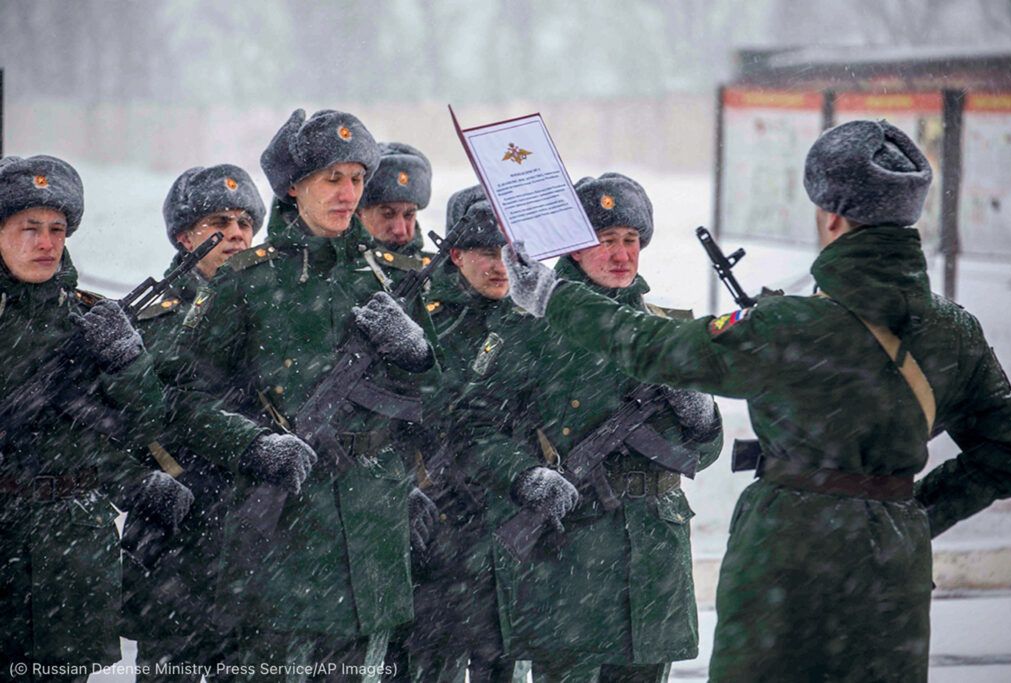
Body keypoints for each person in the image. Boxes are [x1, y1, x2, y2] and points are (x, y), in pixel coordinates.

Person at [500, 120, 1011, 682]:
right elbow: (1010, 452)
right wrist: (913, 512)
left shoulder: (790, 327)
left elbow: (654, 347)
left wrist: (555, 299)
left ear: (832, 215)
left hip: (785, 562)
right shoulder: (955, 332)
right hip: (893, 570)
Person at [173, 109, 438, 680]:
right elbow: (187, 404)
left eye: (357, 179)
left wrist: (418, 356)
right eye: (331, 179)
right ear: (294, 187)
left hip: (372, 534)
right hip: (284, 538)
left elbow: (435, 408)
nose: (348, 193)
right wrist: (254, 446)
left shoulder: (387, 279)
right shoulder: (247, 281)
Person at [458, 173, 723, 682]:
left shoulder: (667, 327)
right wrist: (525, 477)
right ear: (575, 251)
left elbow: (704, 453)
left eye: (631, 241)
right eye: (606, 241)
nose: (622, 255)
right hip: (572, 553)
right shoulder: (529, 327)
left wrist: (701, 416)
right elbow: (472, 428)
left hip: (653, 558)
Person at [0, 155, 189, 680]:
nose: (45, 243)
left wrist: (129, 362)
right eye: (28, 228)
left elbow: (148, 423)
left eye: (56, 229)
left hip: (73, 546)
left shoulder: (90, 318)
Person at [120, 164, 266, 680]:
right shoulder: (147, 319)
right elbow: (126, 424)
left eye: (246, 223)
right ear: (184, 237)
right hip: (177, 533)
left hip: (253, 535)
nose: (236, 234)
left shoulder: (270, 310)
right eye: (218, 223)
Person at [390, 185, 521, 682]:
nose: (499, 266)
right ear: (456, 255)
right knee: (428, 663)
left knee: (504, 664)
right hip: (439, 530)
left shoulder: (533, 324)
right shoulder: (426, 320)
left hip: (510, 528)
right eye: (487, 254)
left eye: (509, 254)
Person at [357, 141, 434, 271]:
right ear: (359, 213)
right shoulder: (338, 271)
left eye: (409, 215)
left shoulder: (439, 271)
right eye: (388, 214)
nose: (400, 230)